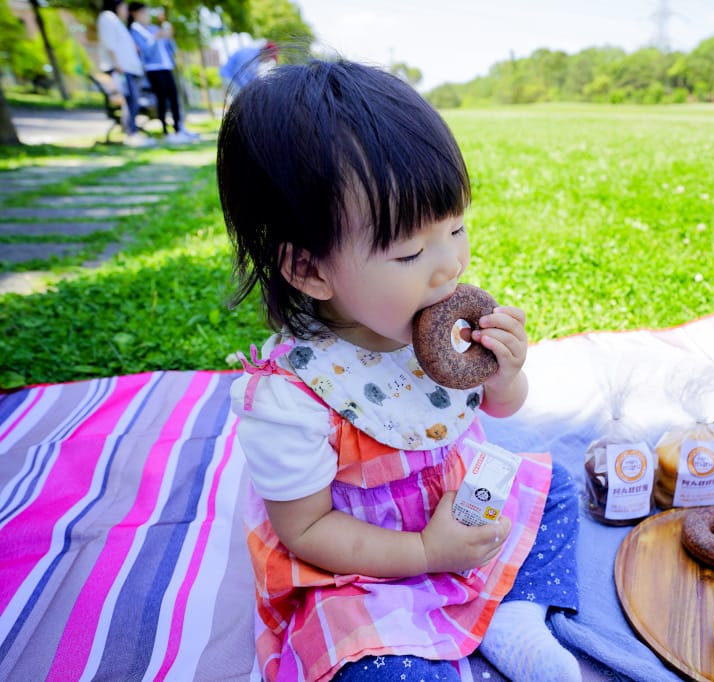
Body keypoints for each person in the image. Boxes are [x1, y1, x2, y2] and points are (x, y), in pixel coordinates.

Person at [217, 58, 581, 682]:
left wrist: (503, 374)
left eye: (457, 228)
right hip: (366, 563)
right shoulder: (292, 398)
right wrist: (421, 553)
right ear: (309, 270)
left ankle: (516, 615)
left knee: (559, 490)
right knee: (376, 669)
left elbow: (499, 408)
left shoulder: (429, 326)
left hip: (464, 511)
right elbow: (305, 528)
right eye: (410, 251)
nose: (448, 267)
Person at [127, 2, 197, 144]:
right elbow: (145, 52)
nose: (146, 16)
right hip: (153, 69)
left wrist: (169, 37)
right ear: (135, 14)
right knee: (162, 99)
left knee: (173, 97)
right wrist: (155, 38)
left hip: (166, 66)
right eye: (143, 13)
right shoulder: (135, 31)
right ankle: (166, 131)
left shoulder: (153, 28)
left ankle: (178, 128)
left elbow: (170, 49)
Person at [96, 0, 154, 147]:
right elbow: (110, 44)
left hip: (127, 69)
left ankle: (133, 132)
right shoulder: (107, 17)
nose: (126, 11)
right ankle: (131, 134)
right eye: (124, 7)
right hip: (121, 69)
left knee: (132, 101)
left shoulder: (116, 21)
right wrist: (117, 65)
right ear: (117, 5)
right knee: (129, 101)